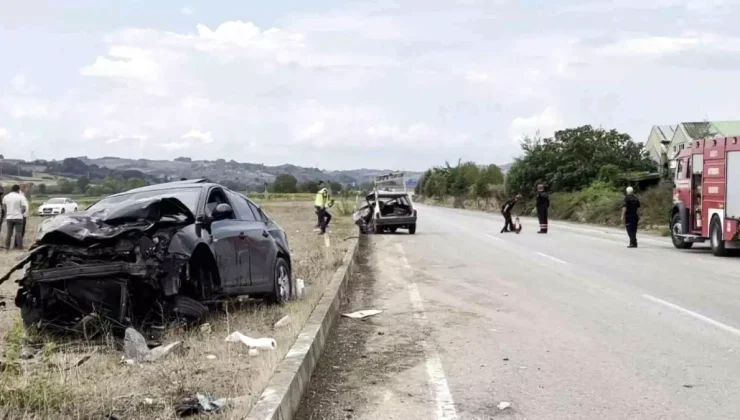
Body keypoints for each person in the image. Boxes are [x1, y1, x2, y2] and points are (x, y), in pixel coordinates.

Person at [2, 185, 28, 250]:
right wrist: (20, 213)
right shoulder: (20, 197)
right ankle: (19, 247)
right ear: (18, 190)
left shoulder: (6, 197)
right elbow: (24, 208)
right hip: (18, 217)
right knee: (19, 233)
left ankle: (7, 247)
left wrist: (8, 212)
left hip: (9, 217)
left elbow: (4, 207)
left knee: (9, 233)